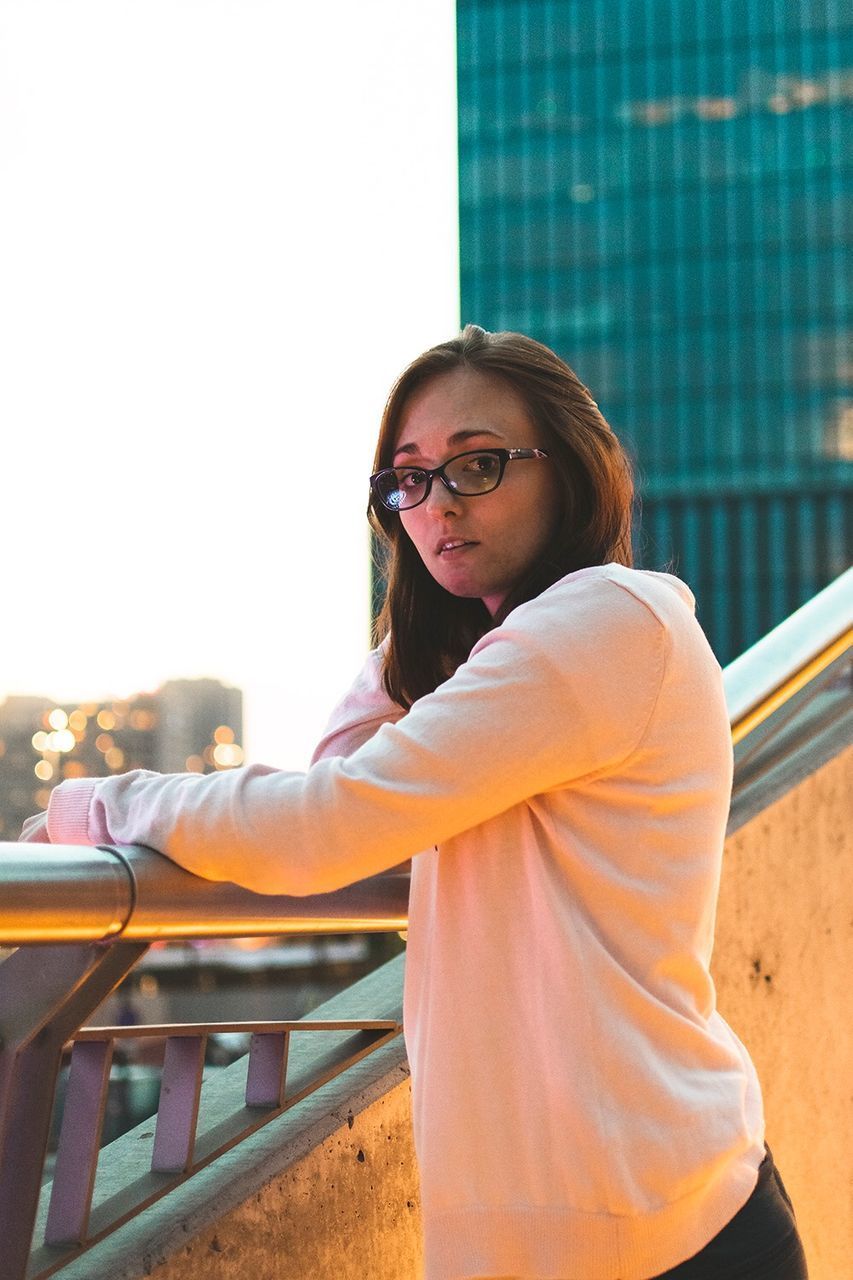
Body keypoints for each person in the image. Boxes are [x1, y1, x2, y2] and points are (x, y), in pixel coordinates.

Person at [21, 325, 808, 1280]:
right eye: (408, 480)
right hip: (571, 1228)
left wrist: (96, 806)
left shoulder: (605, 620)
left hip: (661, 1231)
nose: (437, 505)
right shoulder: (517, 659)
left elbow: (322, 824)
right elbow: (352, 774)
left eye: (477, 467)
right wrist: (418, 628)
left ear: (568, 468)